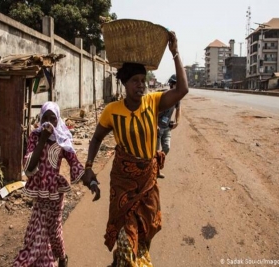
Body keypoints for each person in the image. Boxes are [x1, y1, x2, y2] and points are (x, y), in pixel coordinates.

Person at [82, 31, 188, 266]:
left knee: (142, 233)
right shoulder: (112, 110)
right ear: (125, 84)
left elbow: (182, 90)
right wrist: (88, 167)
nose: (141, 85)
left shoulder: (154, 102)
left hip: (147, 182)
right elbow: (97, 138)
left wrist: (176, 53)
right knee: (125, 239)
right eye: (135, 81)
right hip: (123, 182)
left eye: (143, 79)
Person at [13, 101, 87, 267]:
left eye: (52, 118)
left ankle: (62, 257)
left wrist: (90, 180)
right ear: (40, 119)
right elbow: (29, 166)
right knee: (37, 231)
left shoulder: (63, 138)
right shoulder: (35, 136)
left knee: (53, 230)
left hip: (55, 192)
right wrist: (43, 139)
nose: (48, 122)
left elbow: (74, 162)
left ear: (57, 119)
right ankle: (41, 262)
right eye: (44, 118)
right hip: (39, 191)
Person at [156, 74, 181, 178]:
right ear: (171, 84)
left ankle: (157, 166)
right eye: (175, 84)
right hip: (156, 127)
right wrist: (154, 124)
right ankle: (154, 171)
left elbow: (178, 110)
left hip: (166, 128)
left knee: (166, 148)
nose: (177, 87)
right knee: (155, 151)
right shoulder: (162, 95)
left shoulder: (177, 99)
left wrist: (177, 122)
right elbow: (152, 109)